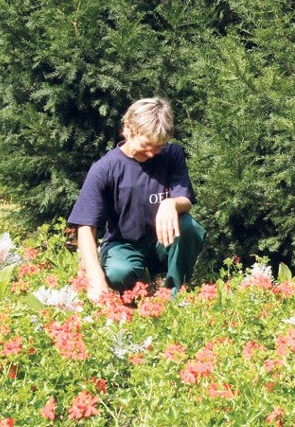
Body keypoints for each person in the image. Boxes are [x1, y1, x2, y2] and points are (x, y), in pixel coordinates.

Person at [68, 97, 206, 301]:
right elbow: (86, 227)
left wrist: (171, 203)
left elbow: (185, 199)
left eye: (159, 146)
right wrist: (95, 278)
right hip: (124, 245)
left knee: (189, 227)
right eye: (147, 144)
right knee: (118, 272)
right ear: (128, 128)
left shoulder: (172, 154)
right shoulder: (104, 169)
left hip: (162, 242)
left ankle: (176, 295)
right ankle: (140, 289)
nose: (152, 153)